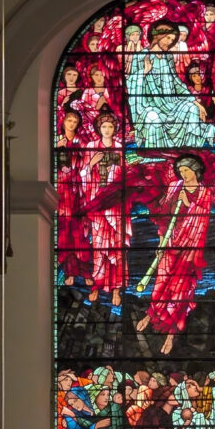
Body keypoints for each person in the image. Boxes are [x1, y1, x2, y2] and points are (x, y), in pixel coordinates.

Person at [136, 154, 212, 354]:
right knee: (161, 284)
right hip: (170, 243)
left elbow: (202, 220)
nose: (183, 174)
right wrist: (161, 240)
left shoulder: (204, 193)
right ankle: (151, 314)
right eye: (181, 171)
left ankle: (171, 336)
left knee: (180, 292)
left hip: (189, 251)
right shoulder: (174, 187)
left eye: (187, 170)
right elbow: (163, 217)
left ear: (195, 171)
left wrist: (187, 203)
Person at [126, 19, 215, 148]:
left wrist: (195, 102)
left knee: (192, 109)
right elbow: (130, 84)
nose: (170, 42)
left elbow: (176, 82)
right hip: (150, 106)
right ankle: (156, 153)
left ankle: (190, 149)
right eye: (167, 38)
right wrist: (144, 72)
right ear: (157, 36)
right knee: (153, 118)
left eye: (172, 39)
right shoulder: (140, 56)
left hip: (171, 104)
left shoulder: (167, 57)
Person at [82, 114, 129, 306]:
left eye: (110, 126)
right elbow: (83, 174)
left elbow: (126, 175)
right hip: (98, 203)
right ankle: (97, 284)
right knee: (100, 246)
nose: (107, 130)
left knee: (117, 246)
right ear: (99, 129)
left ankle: (116, 288)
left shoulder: (119, 147)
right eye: (104, 127)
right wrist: (91, 164)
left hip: (116, 203)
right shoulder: (91, 147)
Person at [56, 110, 90, 286]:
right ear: (63, 122)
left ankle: (82, 271)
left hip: (77, 190)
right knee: (64, 232)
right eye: (68, 120)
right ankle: (69, 271)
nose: (71, 124)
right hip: (60, 191)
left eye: (74, 121)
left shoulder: (81, 143)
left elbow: (86, 163)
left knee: (78, 233)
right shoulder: (55, 141)